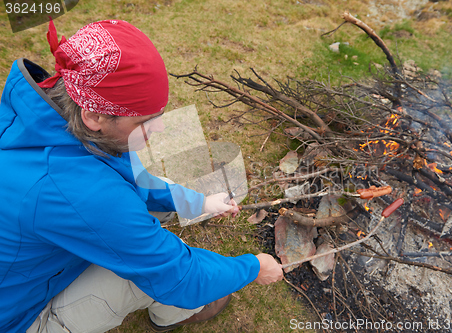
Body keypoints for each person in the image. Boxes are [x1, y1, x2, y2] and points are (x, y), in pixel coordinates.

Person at [0, 19, 284, 333]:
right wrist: (254, 267)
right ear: (94, 115)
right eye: (147, 121)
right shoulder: (82, 192)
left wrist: (198, 202)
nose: (159, 129)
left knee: (150, 202)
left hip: (37, 258)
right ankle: (176, 314)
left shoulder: (46, 117)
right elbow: (180, 275)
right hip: (19, 316)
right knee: (144, 277)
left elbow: (130, 177)